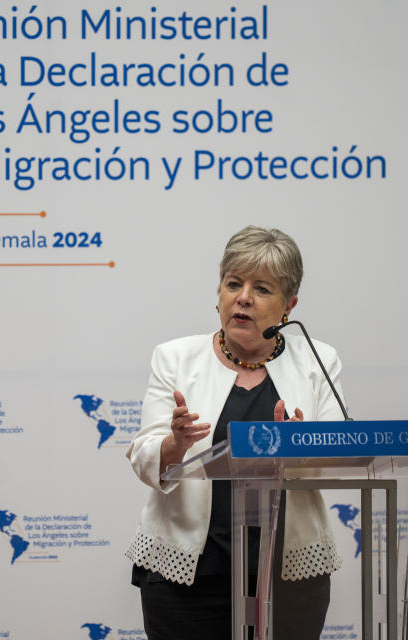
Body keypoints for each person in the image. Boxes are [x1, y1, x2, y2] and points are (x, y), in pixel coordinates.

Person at [125, 226, 344, 640]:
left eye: (261, 288)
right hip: (188, 574)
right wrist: (175, 444)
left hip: (287, 573)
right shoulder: (174, 358)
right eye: (233, 283)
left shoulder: (319, 361)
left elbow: (336, 455)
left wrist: (301, 446)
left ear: (289, 305)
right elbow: (143, 456)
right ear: (219, 294)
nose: (243, 297)